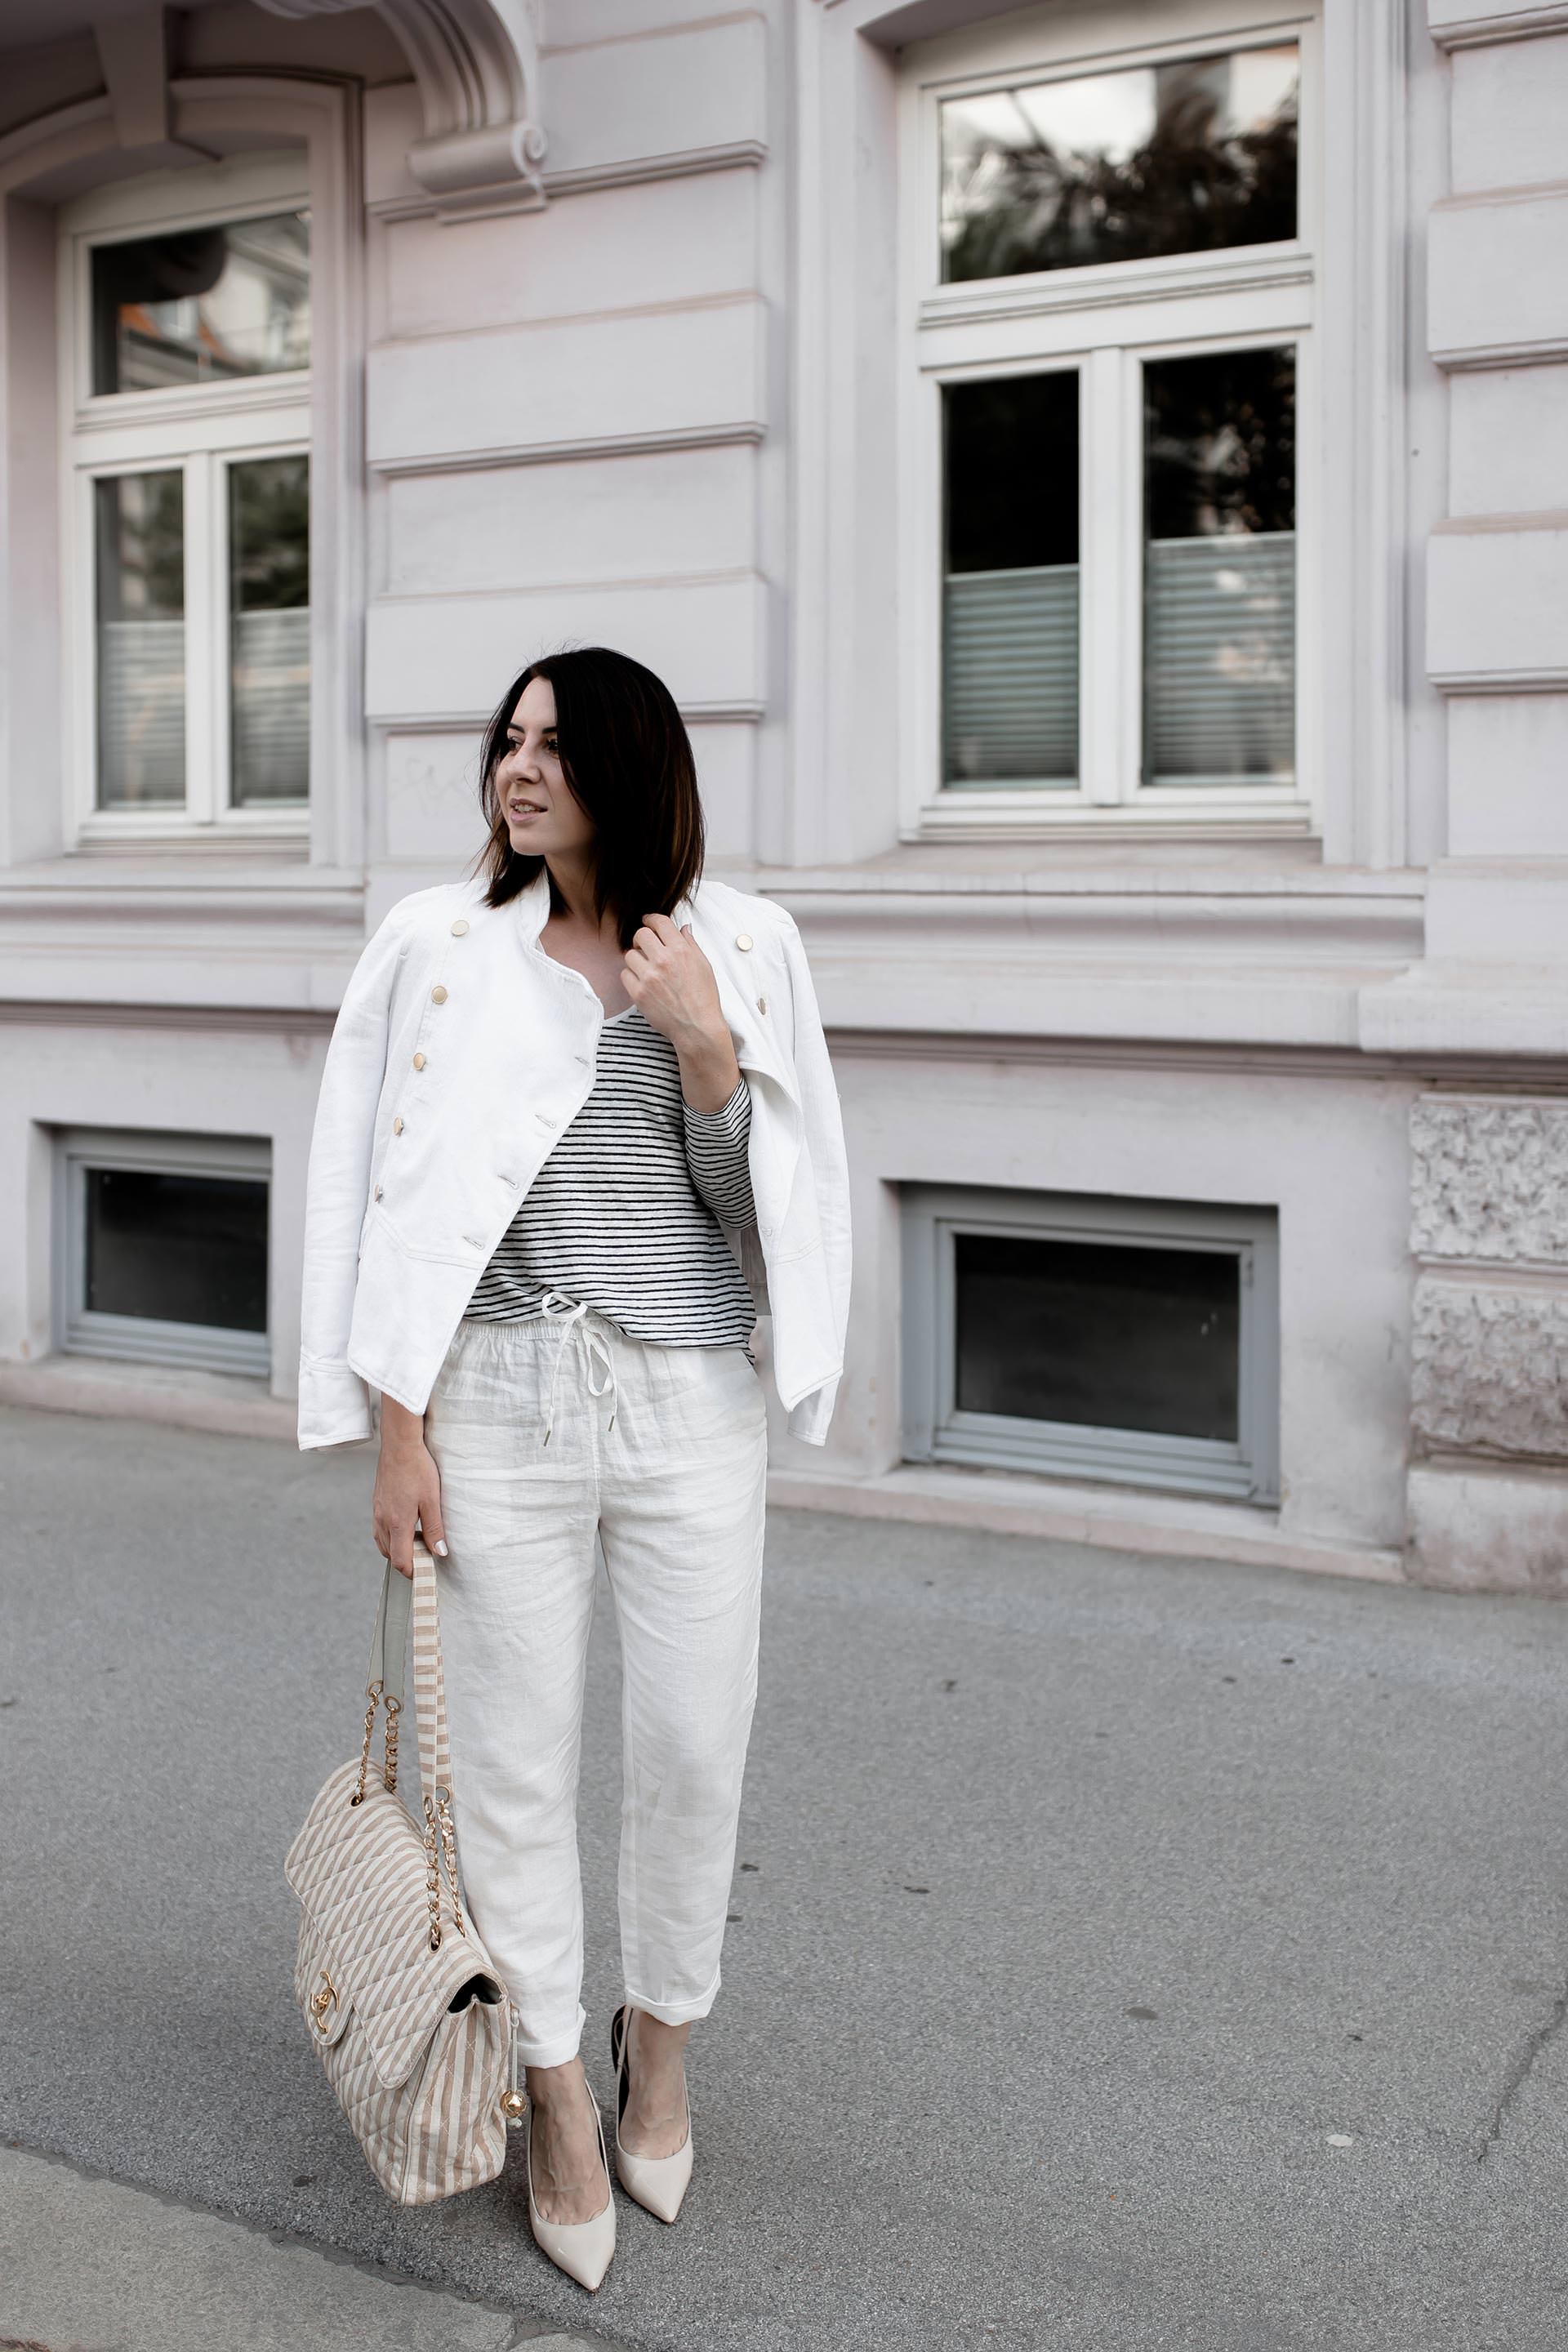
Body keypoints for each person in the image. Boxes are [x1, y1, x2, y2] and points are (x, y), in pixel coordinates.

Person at [297, 645, 851, 2291]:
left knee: (692, 1743)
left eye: (554, 745)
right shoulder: (438, 948)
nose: (519, 770)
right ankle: (549, 2086)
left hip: (684, 1400)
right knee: (513, 1769)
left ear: (632, 762)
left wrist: (703, 1055)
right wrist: (392, 1429)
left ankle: (655, 2046)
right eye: (508, 743)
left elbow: (780, 1223)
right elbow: (373, 1191)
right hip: (495, 1398)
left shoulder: (743, 947)